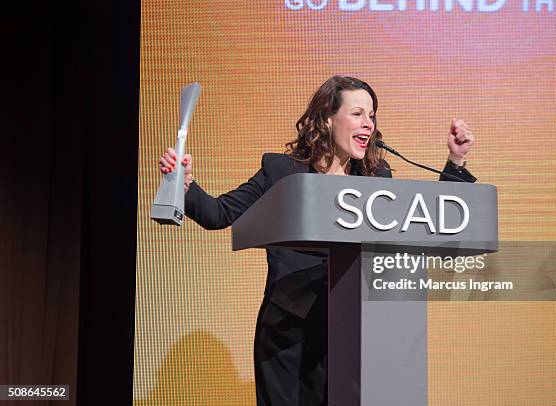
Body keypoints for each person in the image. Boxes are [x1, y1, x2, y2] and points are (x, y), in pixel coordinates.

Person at [158, 76, 476, 405]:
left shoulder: (377, 180)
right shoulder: (281, 171)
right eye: (357, 114)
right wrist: (185, 187)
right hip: (287, 337)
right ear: (327, 118)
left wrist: (455, 163)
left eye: (372, 115)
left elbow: (430, 224)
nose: (368, 124)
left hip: (353, 334)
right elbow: (218, 214)